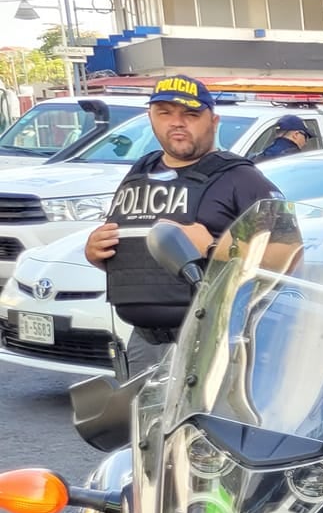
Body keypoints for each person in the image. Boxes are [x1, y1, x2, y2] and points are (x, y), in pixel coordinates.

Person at [84, 73, 278, 380]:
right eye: (165, 113)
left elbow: (290, 254)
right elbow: (134, 252)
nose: (177, 122)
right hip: (143, 344)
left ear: (213, 122)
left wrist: (214, 248)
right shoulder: (140, 172)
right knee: (143, 428)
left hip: (213, 342)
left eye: (190, 114)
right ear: (151, 118)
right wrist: (95, 252)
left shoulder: (240, 178)